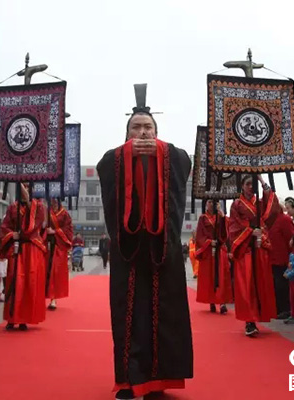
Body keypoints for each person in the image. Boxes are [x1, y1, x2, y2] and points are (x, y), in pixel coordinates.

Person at [97, 99, 193, 400]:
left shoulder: (171, 156)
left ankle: (157, 381)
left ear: (157, 132)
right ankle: (127, 381)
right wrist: (127, 156)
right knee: (128, 313)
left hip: (162, 250)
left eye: (148, 128)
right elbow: (105, 169)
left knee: (163, 314)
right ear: (127, 135)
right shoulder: (113, 160)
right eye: (136, 128)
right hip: (129, 249)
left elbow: (185, 162)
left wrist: (162, 151)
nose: (142, 134)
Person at [229, 174, 280, 337]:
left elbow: (273, 210)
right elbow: (234, 226)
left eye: (253, 184)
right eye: (248, 184)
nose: (251, 187)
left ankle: (258, 315)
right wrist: (250, 231)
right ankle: (249, 321)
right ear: (242, 186)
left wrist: (261, 181)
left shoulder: (259, 203)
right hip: (245, 249)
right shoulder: (236, 204)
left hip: (259, 247)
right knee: (247, 284)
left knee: (260, 283)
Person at [0, 183, 48, 331]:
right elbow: (4, 226)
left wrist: (28, 203)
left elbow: (32, 228)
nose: (24, 190)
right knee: (13, 281)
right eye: (22, 188)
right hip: (16, 248)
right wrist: (11, 234)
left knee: (29, 282)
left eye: (27, 187)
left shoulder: (38, 207)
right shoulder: (12, 207)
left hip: (31, 249)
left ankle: (24, 319)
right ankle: (11, 317)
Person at [195, 200, 231, 314]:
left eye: (214, 202)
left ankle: (222, 303)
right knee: (209, 277)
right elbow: (200, 234)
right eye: (210, 202)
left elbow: (226, 232)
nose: (212, 204)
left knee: (221, 276)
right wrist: (209, 242)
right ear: (206, 204)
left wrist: (222, 214)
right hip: (208, 251)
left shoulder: (220, 217)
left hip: (220, 250)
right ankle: (211, 301)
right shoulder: (203, 218)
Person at [268, 204, 294, 320]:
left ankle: (286, 309)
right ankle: (278, 308)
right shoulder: (269, 221)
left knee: (282, 285)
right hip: (272, 259)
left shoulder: (284, 220)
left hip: (283, 259)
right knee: (276, 285)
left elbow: (291, 239)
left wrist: (292, 258)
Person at [46, 198, 73, 310]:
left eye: (56, 199)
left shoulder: (64, 214)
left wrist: (55, 231)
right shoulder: (46, 212)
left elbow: (68, 229)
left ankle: (53, 299)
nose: (54, 201)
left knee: (55, 272)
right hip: (46, 244)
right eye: (52, 199)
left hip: (58, 246)